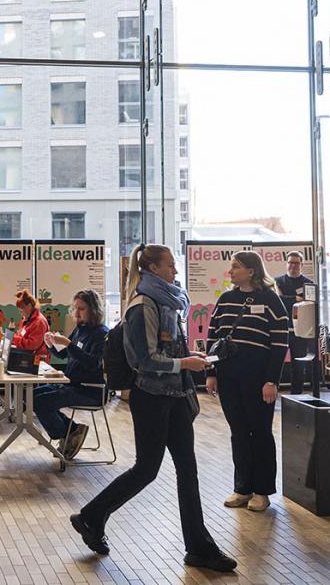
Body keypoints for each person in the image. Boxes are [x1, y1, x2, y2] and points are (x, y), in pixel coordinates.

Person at [71, 244, 235, 574]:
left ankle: (199, 547)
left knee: (187, 470)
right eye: (170, 265)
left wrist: (190, 360)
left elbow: (169, 347)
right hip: (151, 399)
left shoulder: (169, 301)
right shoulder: (142, 306)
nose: (176, 270)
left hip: (174, 396)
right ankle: (90, 516)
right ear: (151, 268)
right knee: (147, 470)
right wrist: (183, 363)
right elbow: (143, 360)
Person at [206, 250, 290, 513]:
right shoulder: (226, 299)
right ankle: (242, 488)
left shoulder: (270, 300)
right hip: (229, 376)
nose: (230, 271)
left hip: (258, 378)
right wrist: (210, 372)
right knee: (238, 432)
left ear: (251, 271)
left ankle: (263, 491)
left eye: (236, 266)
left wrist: (271, 381)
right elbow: (213, 335)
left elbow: (279, 343)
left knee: (261, 433)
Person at [35, 289, 108, 460]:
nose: (76, 313)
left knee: (40, 401)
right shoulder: (80, 329)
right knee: (31, 395)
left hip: (90, 390)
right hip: (72, 384)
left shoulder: (102, 333)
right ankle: (72, 430)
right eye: (75, 308)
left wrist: (68, 344)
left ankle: (67, 433)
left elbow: (93, 363)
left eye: (81, 309)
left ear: (93, 310)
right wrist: (51, 345)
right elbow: (63, 354)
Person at [274, 251, 315, 394]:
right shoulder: (277, 281)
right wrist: (296, 299)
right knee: (276, 362)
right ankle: (273, 390)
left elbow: (310, 304)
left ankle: (296, 396)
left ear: (302, 265)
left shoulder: (309, 284)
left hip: (301, 330)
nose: (293, 266)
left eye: (296, 263)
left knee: (298, 365)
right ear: (286, 264)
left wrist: (286, 298)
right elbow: (278, 301)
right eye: (290, 262)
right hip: (281, 329)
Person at [12, 289, 51, 365]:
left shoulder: (39, 322)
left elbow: (32, 345)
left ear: (29, 306)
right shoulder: (26, 319)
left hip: (38, 361)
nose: (21, 313)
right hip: (27, 356)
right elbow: (20, 335)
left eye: (22, 309)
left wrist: (14, 339)